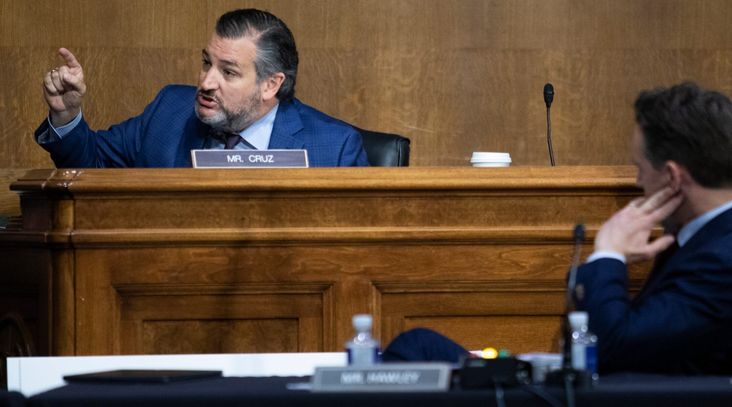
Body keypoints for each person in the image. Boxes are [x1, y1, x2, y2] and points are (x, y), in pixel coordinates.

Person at [384, 82, 732, 375]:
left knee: (413, 352)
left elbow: (610, 352)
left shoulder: (721, 259)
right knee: (419, 346)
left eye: (640, 168)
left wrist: (608, 253)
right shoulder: (699, 238)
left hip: (617, 394)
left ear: (672, 177)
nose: (638, 181)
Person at [35, 9, 369, 168]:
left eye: (229, 72)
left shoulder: (334, 149)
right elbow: (90, 164)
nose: (207, 82)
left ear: (271, 84)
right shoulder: (169, 111)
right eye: (207, 63)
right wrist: (67, 114)